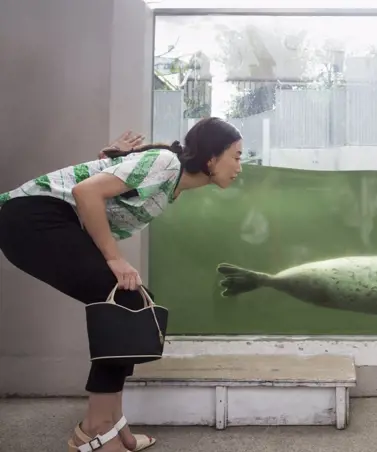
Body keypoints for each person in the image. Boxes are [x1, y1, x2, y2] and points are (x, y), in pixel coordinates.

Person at [0, 117, 243, 452]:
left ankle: (112, 423)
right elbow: (85, 192)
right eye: (237, 156)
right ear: (212, 158)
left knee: (133, 306)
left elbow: (95, 195)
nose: (240, 166)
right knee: (127, 305)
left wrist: (111, 162)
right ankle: (94, 430)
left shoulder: (169, 182)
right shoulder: (166, 164)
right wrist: (115, 259)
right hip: (31, 218)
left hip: (43, 220)